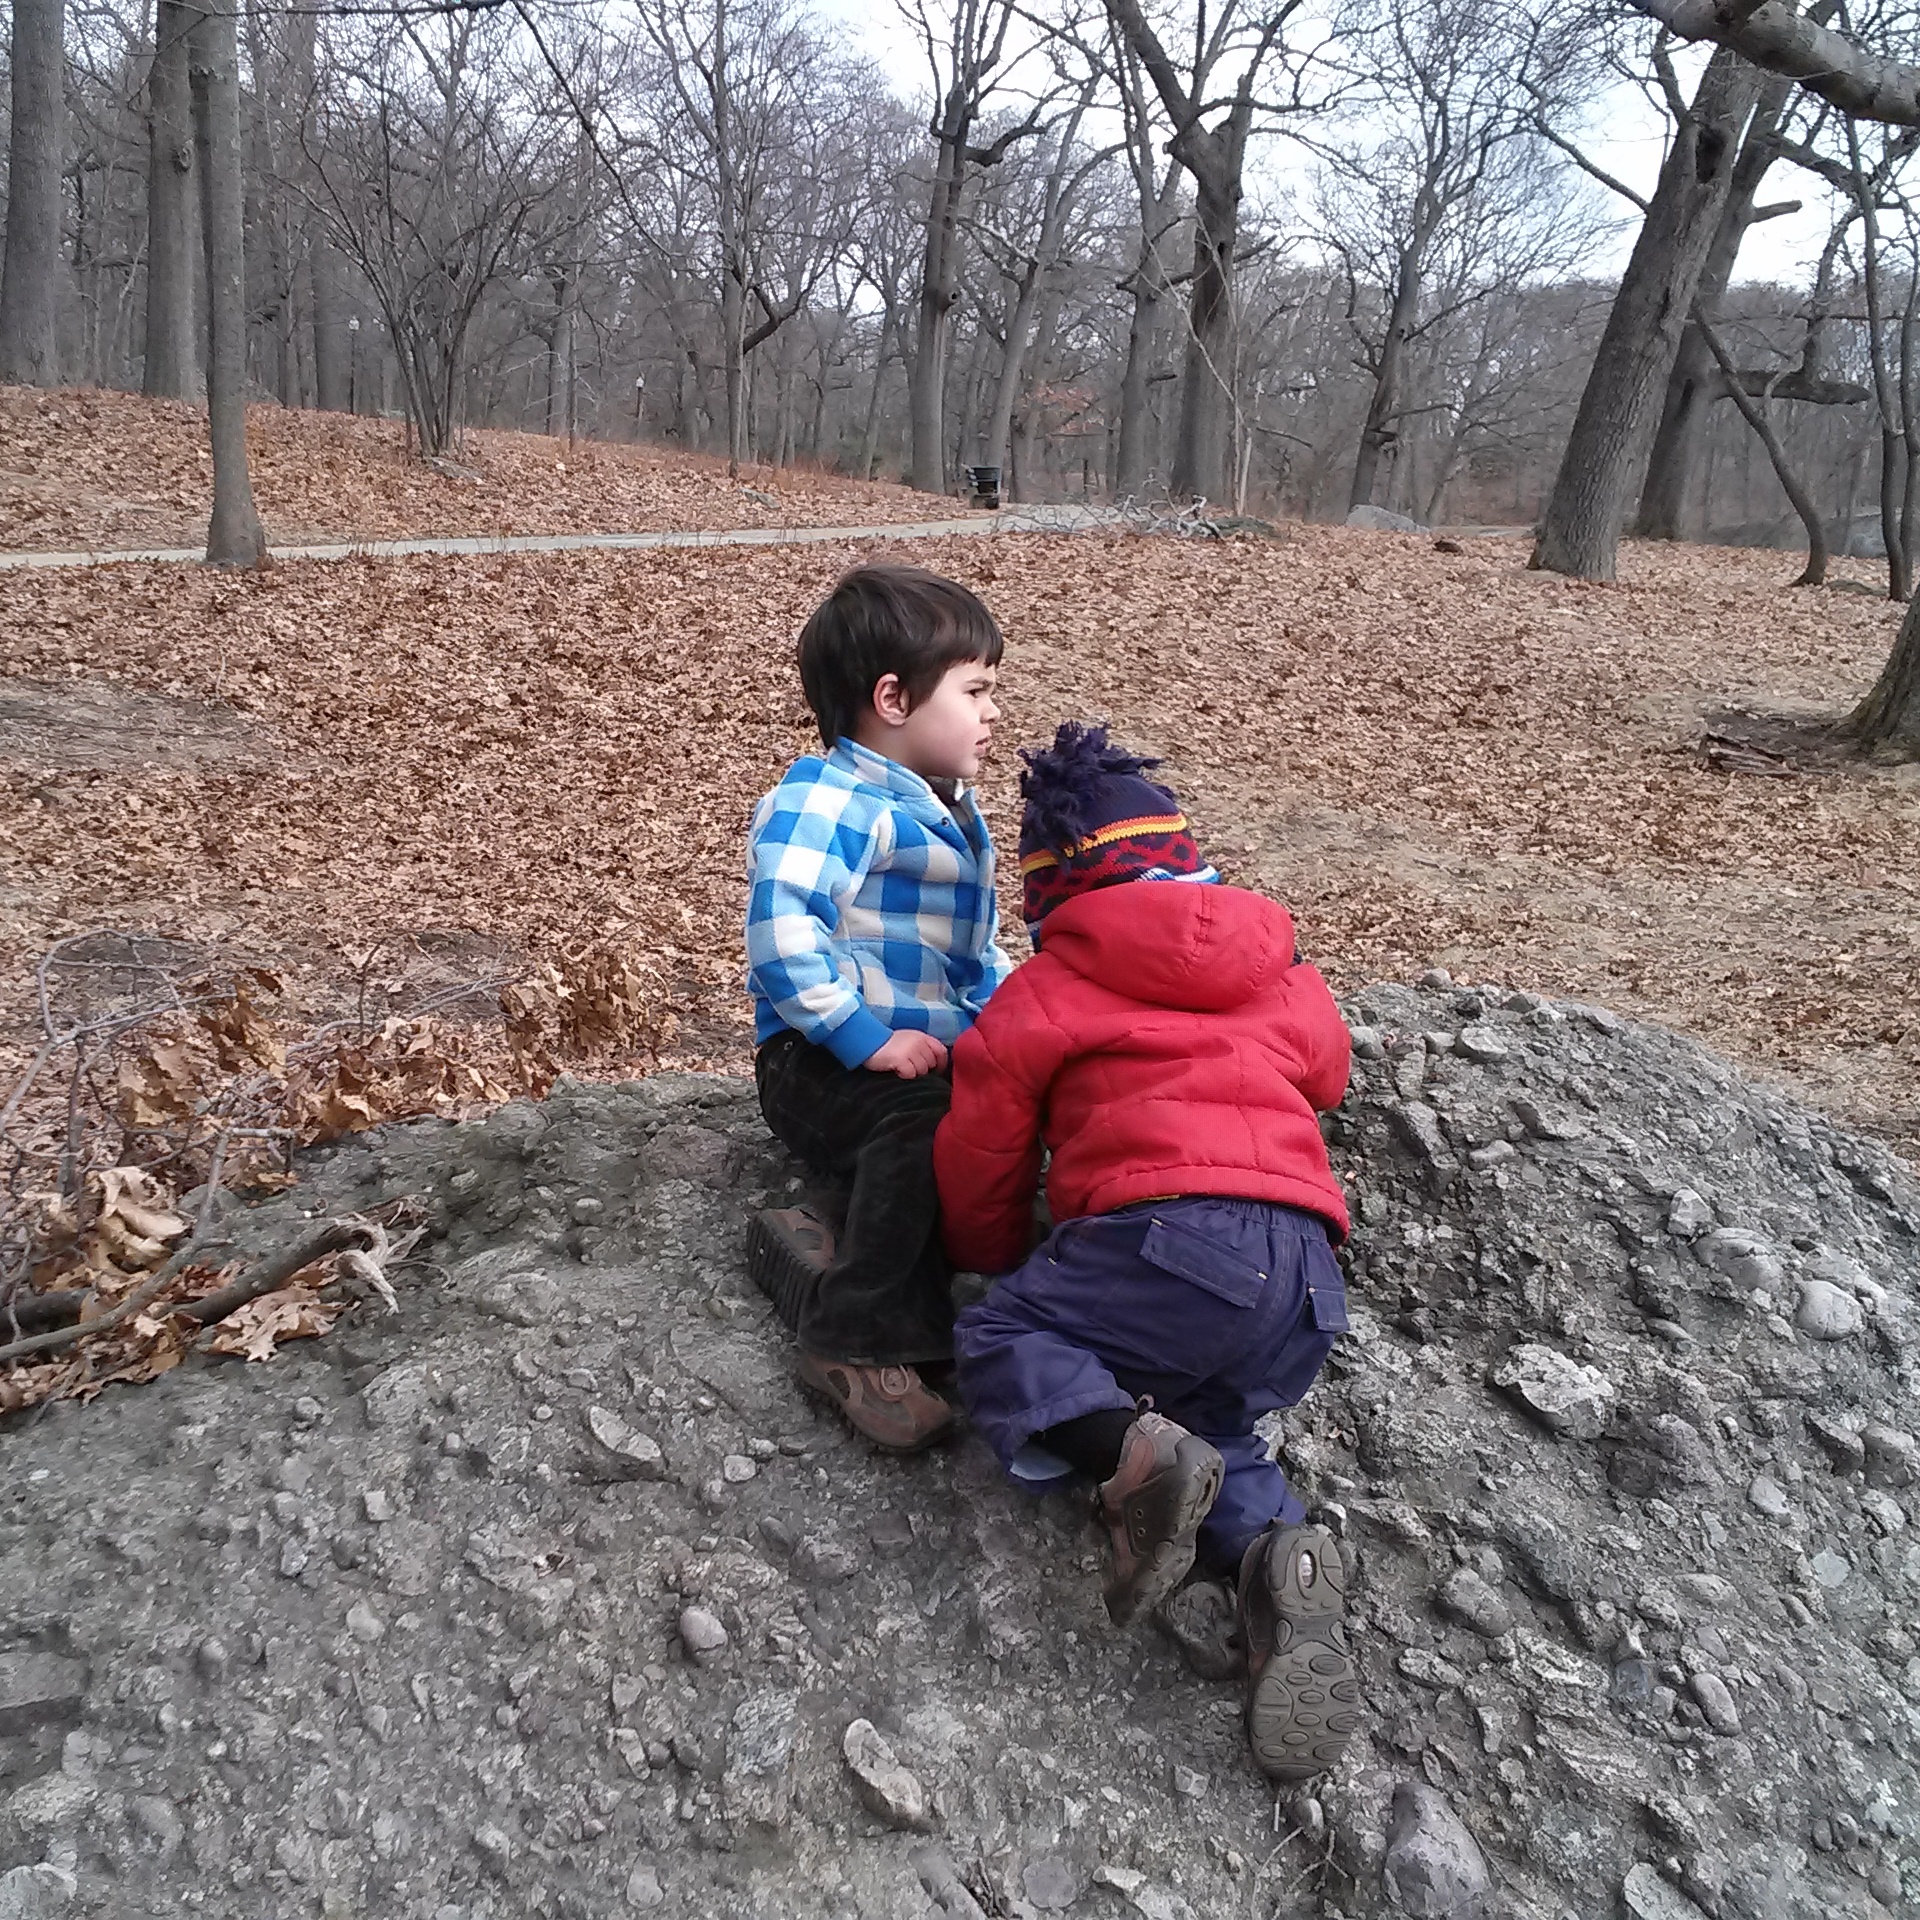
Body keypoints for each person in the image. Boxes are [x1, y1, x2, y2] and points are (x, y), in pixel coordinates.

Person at [934, 722, 1361, 1784]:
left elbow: (985, 1141)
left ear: (1052, 902)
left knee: (1002, 1335)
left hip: (1166, 1236)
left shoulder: (1048, 989)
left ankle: (1131, 1456)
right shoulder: (1277, 968)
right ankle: (1275, 1560)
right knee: (1215, 1419)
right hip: (1306, 1274)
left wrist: (992, 1252)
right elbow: (1329, 1073)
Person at [742, 563, 1012, 1451]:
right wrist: (863, 1038)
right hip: (819, 1059)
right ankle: (855, 1336)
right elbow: (783, 934)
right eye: (975, 691)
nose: (992, 713)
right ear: (893, 699)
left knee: (990, 1132)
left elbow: (974, 955)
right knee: (919, 1126)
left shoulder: (946, 810)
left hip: (915, 1054)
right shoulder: (826, 800)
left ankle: (828, 1227)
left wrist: (1017, 1023)